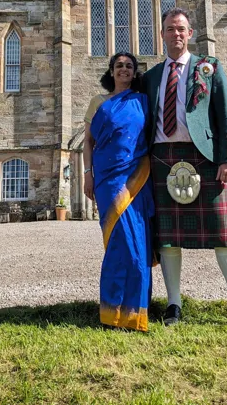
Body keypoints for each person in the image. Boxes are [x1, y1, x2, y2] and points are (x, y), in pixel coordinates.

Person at [143, 8, 227, 334]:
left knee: (224, 236)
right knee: (167, 241)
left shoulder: (209, 68)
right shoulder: (150, 78)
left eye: (181, 29)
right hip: (162, 159)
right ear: (162, 34)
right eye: (169, 29)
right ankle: (173, 304)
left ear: (190, 33)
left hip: (205, 159)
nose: (175, 34)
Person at [82, 52, 155, 332]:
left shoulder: (143, 102)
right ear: (111, 72)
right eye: (118, 66)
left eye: (128, 66)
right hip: (107, 180)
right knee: (117, 243)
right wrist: (88, 174)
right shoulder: (98, 103)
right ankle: (112, 312)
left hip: (137, 178)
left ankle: (135, 312)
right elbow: (88, 142)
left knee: (137, 246)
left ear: (134, 72)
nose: (123, 69)